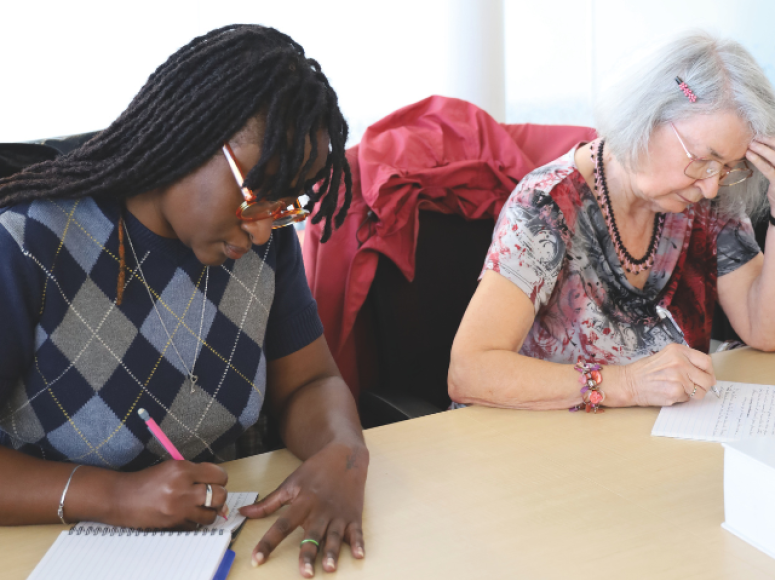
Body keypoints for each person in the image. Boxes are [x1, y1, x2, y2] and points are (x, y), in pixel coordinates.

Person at [0, 24, 367, 578]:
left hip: (225, 552)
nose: (266, 229)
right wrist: (115, 497)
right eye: (258, 194)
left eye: (287, 205)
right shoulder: (30, 241)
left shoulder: (260, 246)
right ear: (194, 140)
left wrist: (342, 455)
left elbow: (310, 384)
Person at [449, 32, 775, 412]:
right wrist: (627, 384)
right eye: (703, 159)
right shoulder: (548, 204)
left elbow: (763, 330)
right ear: (647, 117)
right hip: (537, 442)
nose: (708, 185)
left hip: (642, 442)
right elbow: (469, 371)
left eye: (727, 168)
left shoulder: (709, 201)